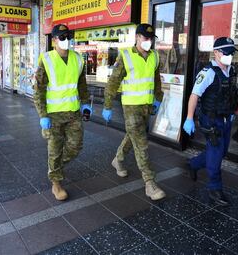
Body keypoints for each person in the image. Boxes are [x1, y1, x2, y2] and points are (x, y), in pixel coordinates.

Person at [102, 23, 166, 201]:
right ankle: (150, 183)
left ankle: (118, 159)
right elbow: (113, 82)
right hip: (130, 106)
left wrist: (158, 98)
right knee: (141, 143)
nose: (149, 41)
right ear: (137, 37)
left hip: (146, 105)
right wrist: (107, 105)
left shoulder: (154, 56)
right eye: (146, 38)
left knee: (133, 136)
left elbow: (156, 80)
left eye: (151, 38)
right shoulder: (126, 56)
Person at [33, 24, 92, 201]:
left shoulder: (78, 59)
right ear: (54, 40)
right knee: (55, 149)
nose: (67, 40)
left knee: (75, 147)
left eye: (69, 36)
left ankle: (55, 168)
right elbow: (39, 90)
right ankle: (56, 184)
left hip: (73, 112)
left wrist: (85, 104)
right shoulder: (47, 59)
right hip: (53, 115)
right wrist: (42, 115)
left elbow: (82, 85)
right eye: (62, 37)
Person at [182, 37, 238, 206]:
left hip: (226, 118)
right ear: (216, 53)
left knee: (220, 152)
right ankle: (215, 188)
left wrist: (232, 112)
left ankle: (193, 164)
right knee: (215, 155)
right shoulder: (208, 73)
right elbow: (194, 96)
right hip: (211, 120)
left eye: (231, 53)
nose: (230, 56)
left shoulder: (231, 70)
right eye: (226, 52)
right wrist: (189, 118)